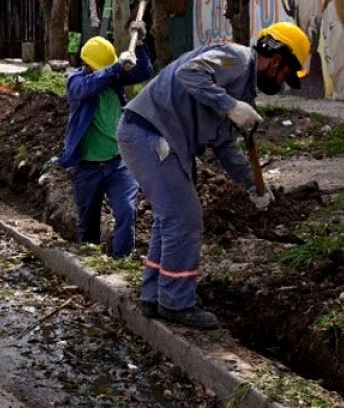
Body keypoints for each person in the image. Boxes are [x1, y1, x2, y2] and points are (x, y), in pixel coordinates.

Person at [116, 22, 311, 329]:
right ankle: (176, 303)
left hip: (156, 138)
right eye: (286, 74)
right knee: (184, 219)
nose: (283, 83)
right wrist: (229, 105)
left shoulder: (242, 89)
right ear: (277, 60)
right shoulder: (237, 59)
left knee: (169, 220)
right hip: (150, 133)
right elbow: (189, 73)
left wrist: (252, 183)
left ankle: (154, 296)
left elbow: (225, 146)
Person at [57, 22, 153, 258]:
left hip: (118, 162)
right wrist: (114, 68)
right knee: (88, 222)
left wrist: (139, 44)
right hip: (87, 167)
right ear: (87, 65)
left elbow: (143, 72)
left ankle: (121, 259)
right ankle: (89, 259)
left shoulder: (112, 78)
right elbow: (86, 87)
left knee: (126, 210)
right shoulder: (76, 81)